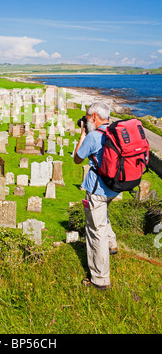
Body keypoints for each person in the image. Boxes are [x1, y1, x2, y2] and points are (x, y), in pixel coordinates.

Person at [73, 102, 119, 290]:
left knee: (95, 230)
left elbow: (77, 158)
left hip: (98, 189)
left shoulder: (93, 136)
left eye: (87, 117)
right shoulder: (116, 131)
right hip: (115, 186)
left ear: (94, 117)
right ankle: (112, 245)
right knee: (103, 216)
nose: (86, 120)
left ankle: (100, 278)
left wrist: (83, 134)